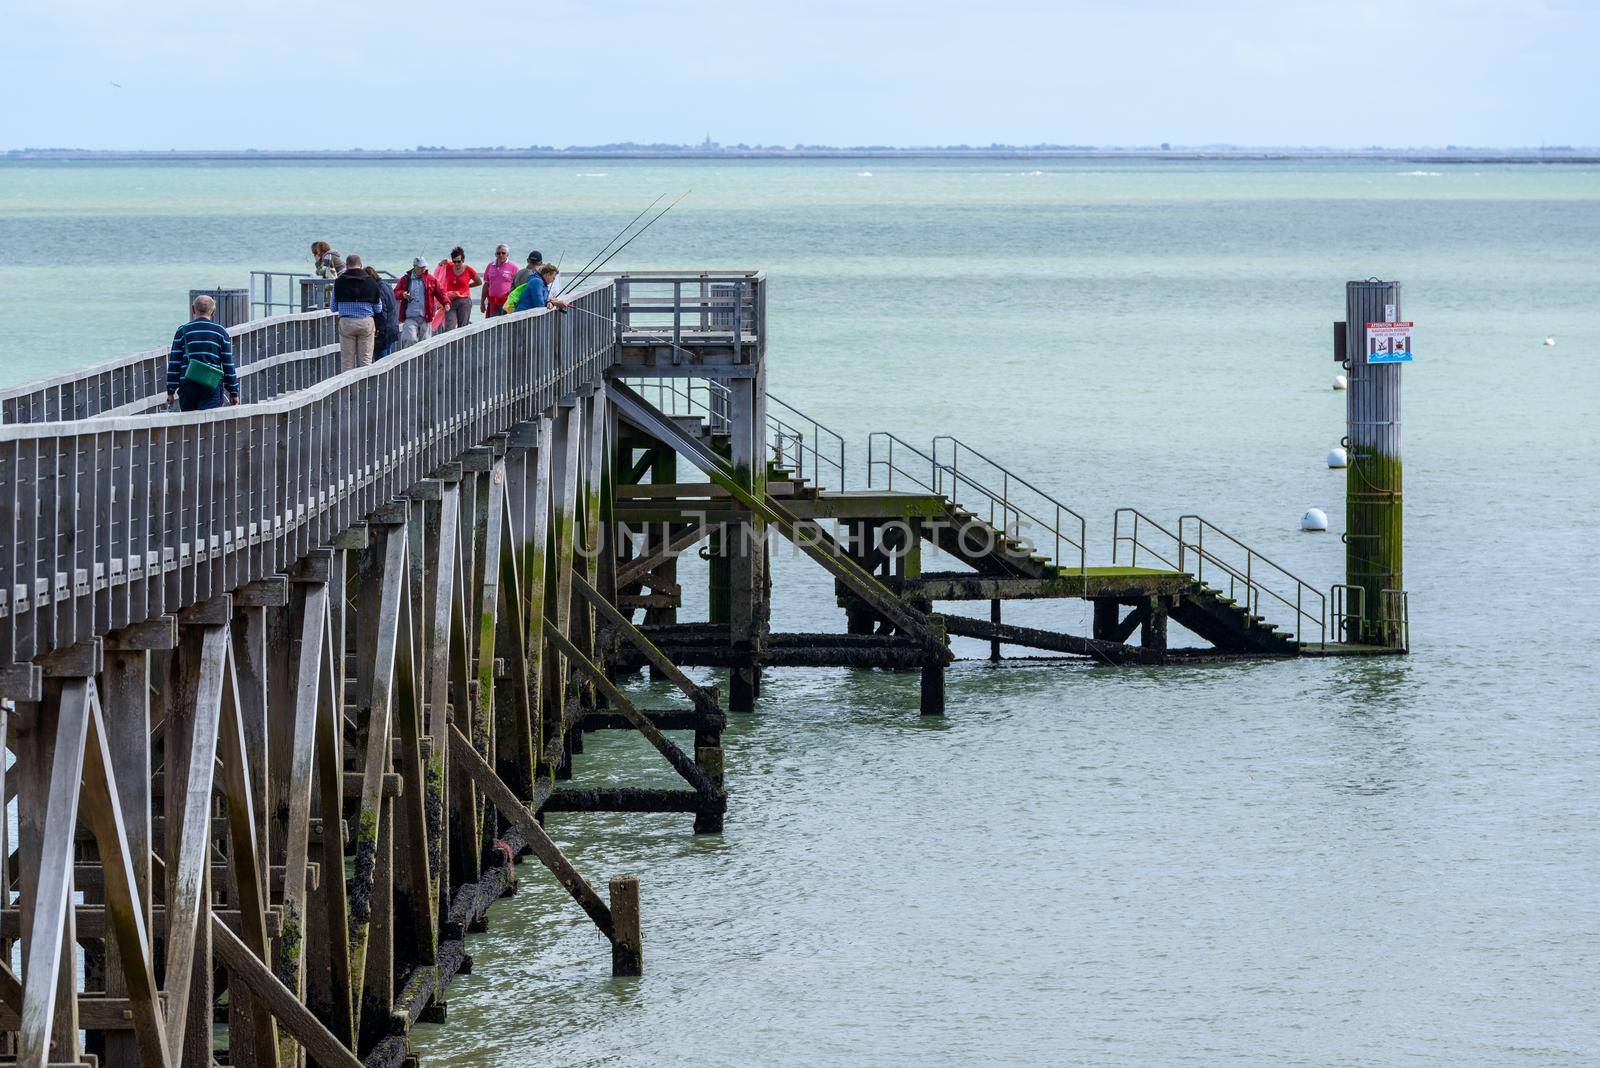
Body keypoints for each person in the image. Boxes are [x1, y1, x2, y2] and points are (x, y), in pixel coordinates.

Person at [166, 294, 240, 411]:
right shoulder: (220, 332)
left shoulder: (182, 331)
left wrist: (170, 391)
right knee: (210, 424)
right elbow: (228, 364)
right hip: (211, 384)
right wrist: (233, 391)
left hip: (188, 384)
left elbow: (174, 363)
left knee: (189, 423)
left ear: (193, 309)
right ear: (213, 311)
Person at [331, 254, 383, 370]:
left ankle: (348, 388)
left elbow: (333, 307)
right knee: (365, 361)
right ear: (361, 265)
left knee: (347, 362)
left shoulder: (339, 282)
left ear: (346, 265)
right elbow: (378, 308)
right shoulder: (371, 282)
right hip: (366, 323)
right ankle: (365, 387)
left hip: (346, 322)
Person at [394, 257, 449, 348]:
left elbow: (440, 292)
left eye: (424, 267)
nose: (423, 269)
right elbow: (395, 292)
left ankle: (424, 362)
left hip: (426, 317)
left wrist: (446, 303)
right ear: (414, 266)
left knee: (426, 345)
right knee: (410, 340)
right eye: (420, 267)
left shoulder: (431, 279)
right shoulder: (405, 279)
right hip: (410, 317)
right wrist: (402, 294)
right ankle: (409, 361)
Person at [437, 246, 481, 331]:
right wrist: (440, 264)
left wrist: (468, 286)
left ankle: (462, 344)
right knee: (449, 327)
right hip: (450, 301)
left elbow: (479, 282)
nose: (456, 264)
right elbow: (437, 275)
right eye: (454, 261)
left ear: (463, 260)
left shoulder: (468, 269)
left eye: (458, 261)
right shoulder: (448, 266)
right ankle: (449, 344)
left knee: (462, 328)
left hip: (464, 301)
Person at [366, 266, 400, 359]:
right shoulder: (386, 285)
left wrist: (378, 329)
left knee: (380, 362)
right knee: (387, 359)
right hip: (392, 327)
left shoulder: (378, 290)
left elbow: (382, 312)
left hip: (384, 331)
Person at [481, 244, 519, 317]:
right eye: (498, 253)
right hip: (492, 302)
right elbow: (486, 285)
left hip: (507, 302)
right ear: (495, 254)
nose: (500, 255)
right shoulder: (490, 266)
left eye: (503, 253)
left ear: (507, 254)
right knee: (492, 325)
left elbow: (517, 287)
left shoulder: (514, 268)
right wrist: (482, 302)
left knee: (505, 325)